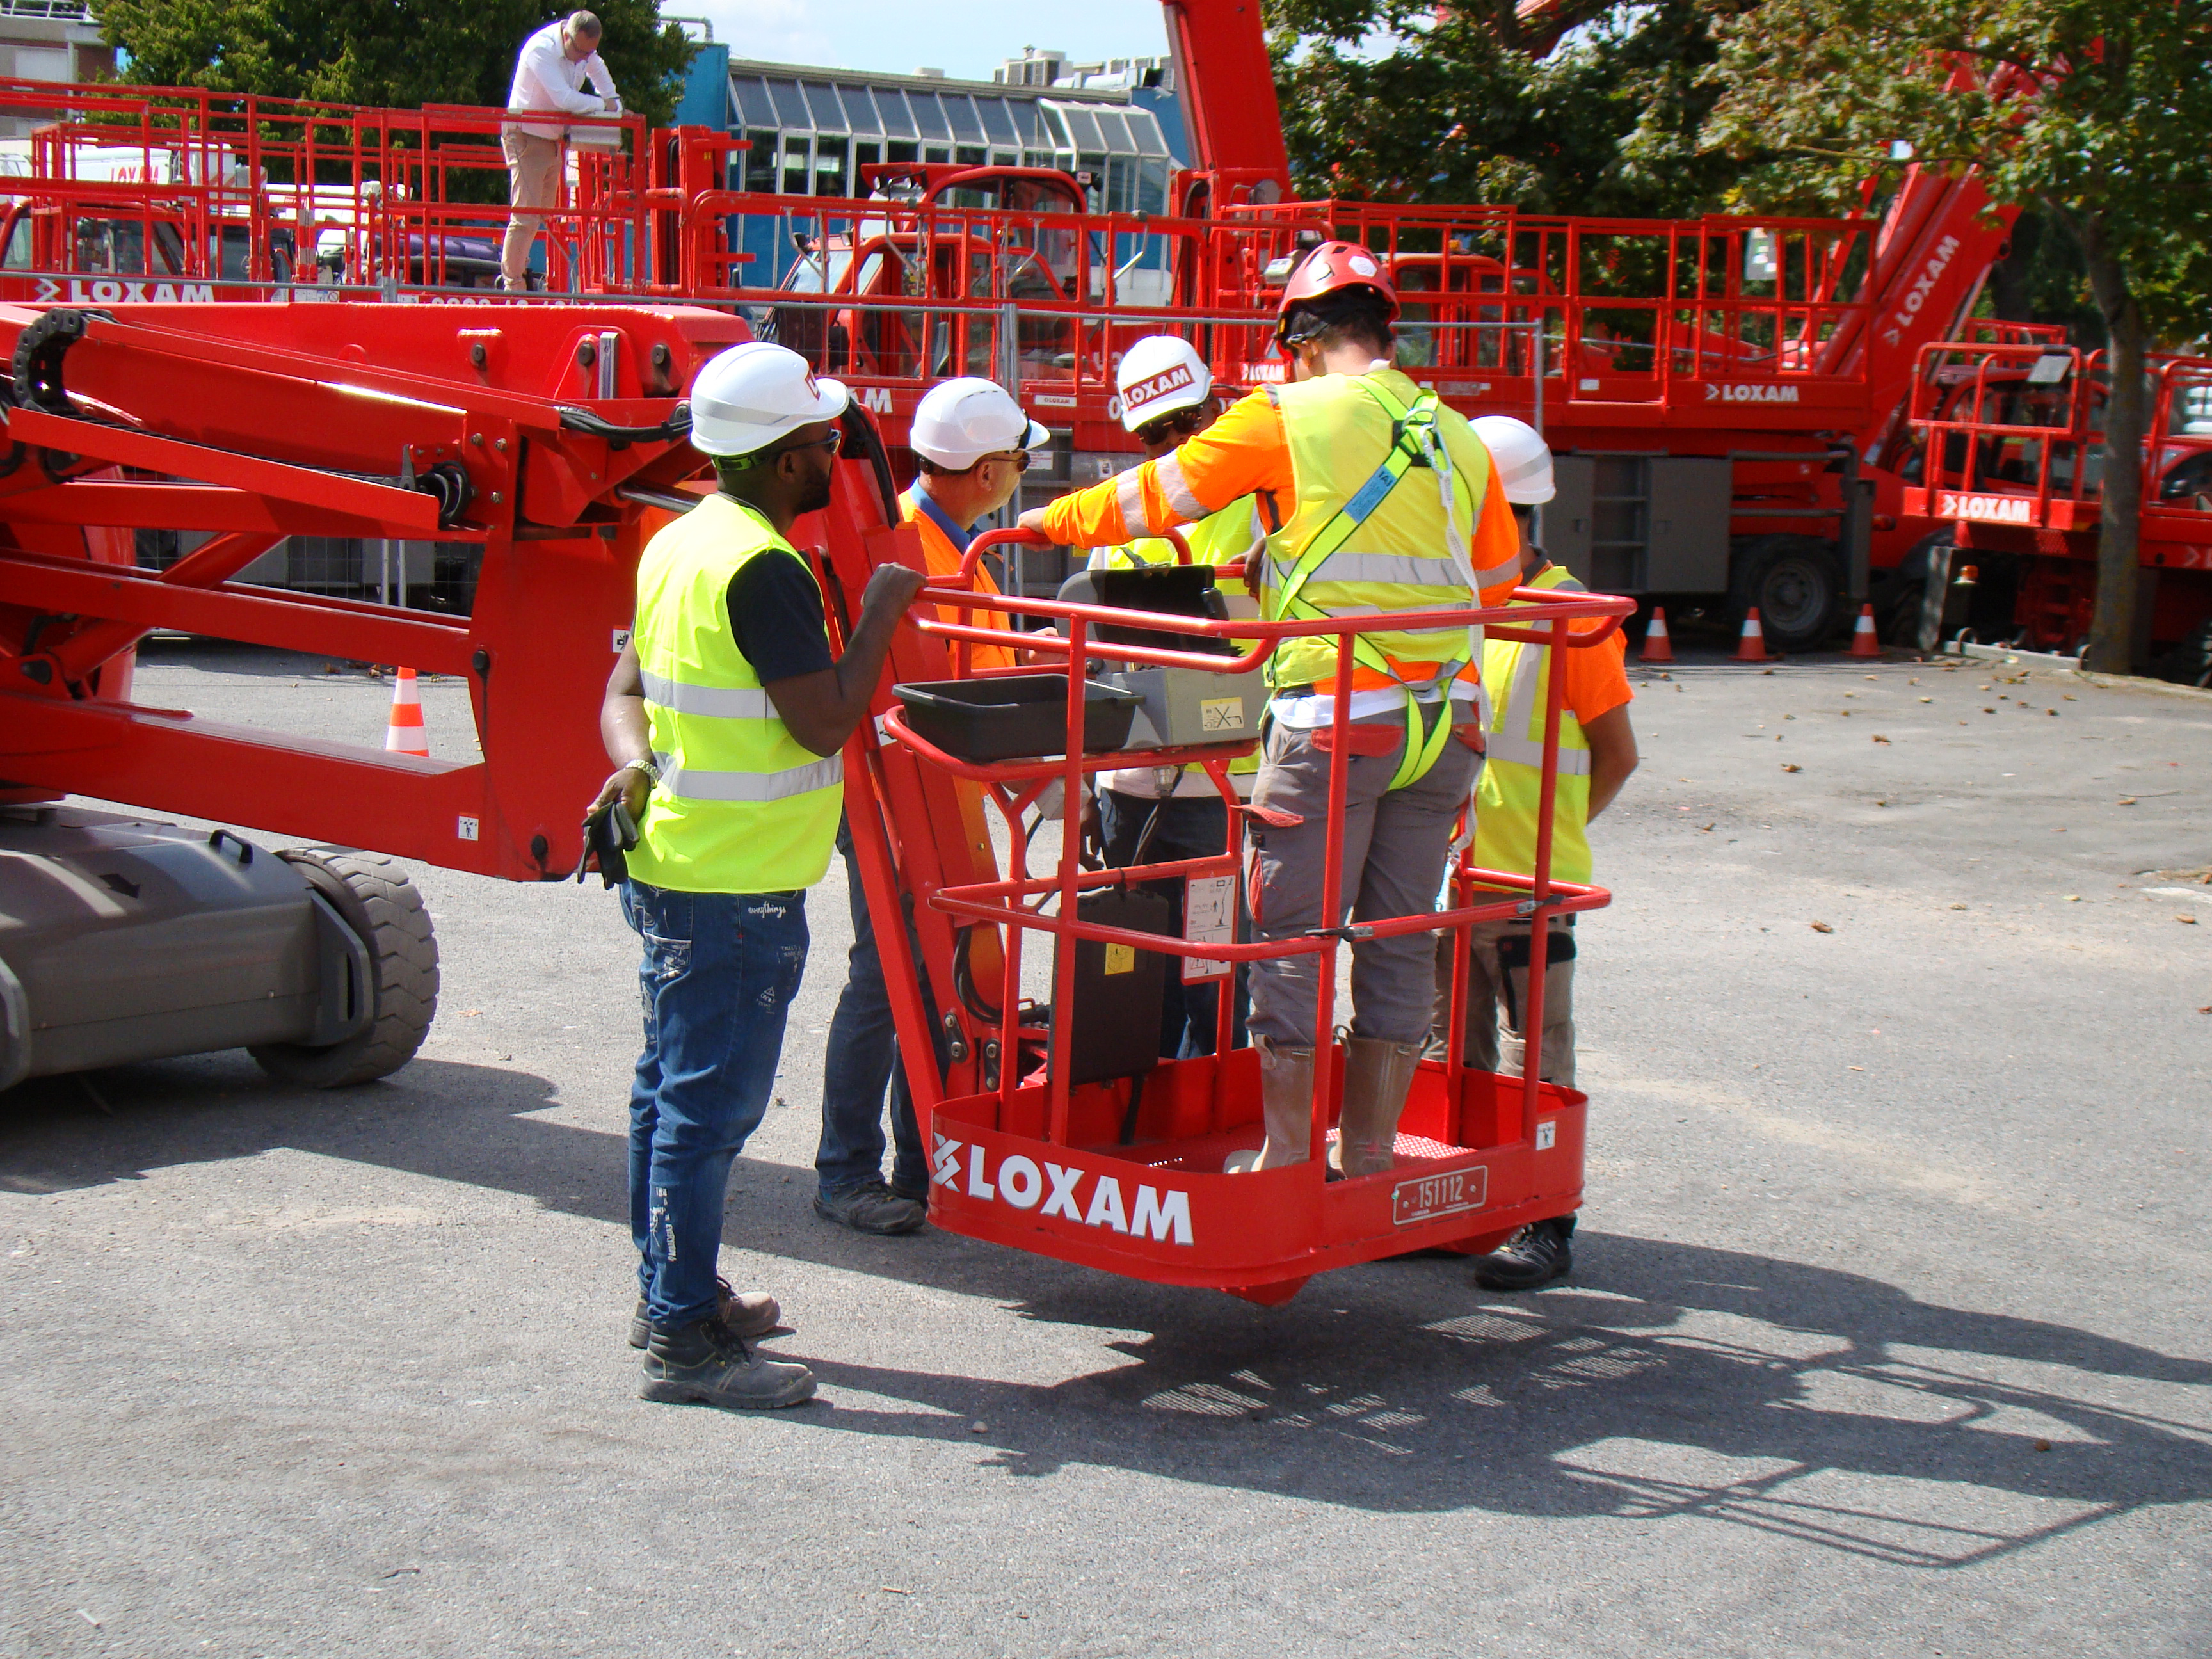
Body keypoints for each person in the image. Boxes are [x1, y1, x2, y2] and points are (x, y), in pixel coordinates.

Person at [1024, 243, 1524, 1179]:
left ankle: (1289, 1155)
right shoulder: (1456, 433)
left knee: (1291, 941)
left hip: (1338, 719)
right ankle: (1369, 1150)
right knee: (1398, 934)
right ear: (1382, 333)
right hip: (1443, 723)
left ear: (1298, 340)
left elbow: (1149, 498)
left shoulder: (1288, 416)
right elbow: (1495, 582)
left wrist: (1043, 521)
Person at [593, 341, 926, 1409]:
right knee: (706, 1110)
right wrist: (880, 609)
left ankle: (669, 1294)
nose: (836, 452)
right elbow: (824, 716)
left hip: (679, 865)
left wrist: (635, 766)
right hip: (734, 892)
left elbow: (621, 690)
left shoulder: (676, 544)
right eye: (825, 441)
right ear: (787, 460)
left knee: (666, 1092)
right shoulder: (767, 568)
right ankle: (685, 1340)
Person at [813, 376, 1050, 1235]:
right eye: (1020, 460)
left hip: (936, 793)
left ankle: (922, 1165)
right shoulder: (916, 549)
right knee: (889, 978)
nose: (1023, 473)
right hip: (895, 795)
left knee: (941, 975)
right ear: (989, 471)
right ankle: (848, 1171)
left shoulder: (938, 544)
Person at [1431, 416, 1639, 1290]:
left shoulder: (1574, 619)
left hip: (1530, 884)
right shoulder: (1455, 608)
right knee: (1452, 1049)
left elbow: (1617, 752)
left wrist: (1554, 843)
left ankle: (1544, 1223)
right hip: (1452, 879)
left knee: (1536, 1054)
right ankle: (1466, 1205)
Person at [1082, 335, 1264, 1057]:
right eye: (1161, 435)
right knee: (1164, 975)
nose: (1175, 446)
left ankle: (1189, 1120)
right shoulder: (1141, 513)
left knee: (1201, 979)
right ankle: (1163, 1123)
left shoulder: (1258, 514)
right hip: (1160, 787)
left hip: (1206, 790)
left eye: (1182, 427)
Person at [502, 11, 620, 291]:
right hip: (526, 136)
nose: (585, 58)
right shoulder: (541, 49)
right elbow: (564, 99)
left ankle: (520, 279)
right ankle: (512, 285)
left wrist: (613, 101)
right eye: (581, 51)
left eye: (590, 52)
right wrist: (607, 106)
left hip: (552, 138)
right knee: (527, 214)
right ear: (566, 35)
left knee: (542, 212)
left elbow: (603, 82)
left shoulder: (583, 51)